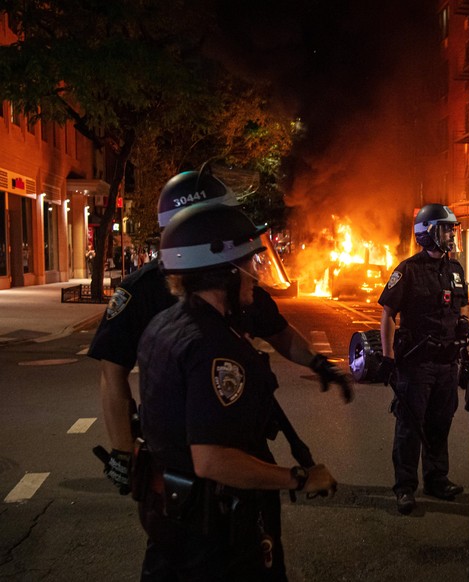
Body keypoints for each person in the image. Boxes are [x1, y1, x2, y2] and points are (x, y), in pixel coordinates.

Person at [89, 166, 352, 496]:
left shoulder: (231, 285)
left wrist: (318, 363)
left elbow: (278, 332)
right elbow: (112, 374)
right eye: (219, 217)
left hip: (233, 437)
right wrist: (124, 451)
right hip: (197, 452)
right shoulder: (144, 293)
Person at [136, 203, 338, 579]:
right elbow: (212, 460)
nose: (255, 276)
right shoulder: (213, 345)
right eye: (248, 265)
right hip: (215, 530)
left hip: (172, 518)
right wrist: (298, 478)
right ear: (224, 272)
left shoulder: (165, 324)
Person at [377, 203, 469, 515]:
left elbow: (461, 311)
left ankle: (436, 479)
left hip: (447, 363)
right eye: (445, 228)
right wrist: (388, 358)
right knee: (410, 425)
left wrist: (465, 337)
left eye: (451, 229)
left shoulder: (455, 270)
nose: (450, 234)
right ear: (427, 232)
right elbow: (388, 314)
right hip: (417, 363)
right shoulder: (407, 270)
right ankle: (405, 487)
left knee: (440, 423)